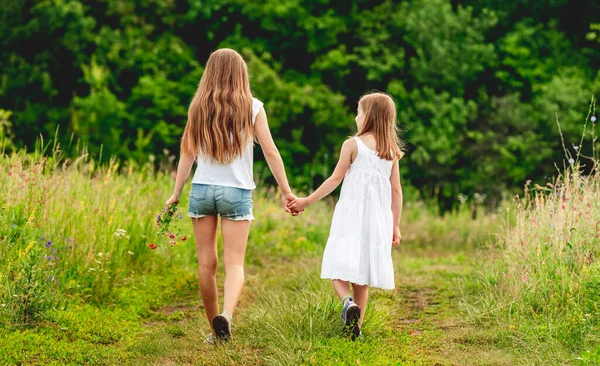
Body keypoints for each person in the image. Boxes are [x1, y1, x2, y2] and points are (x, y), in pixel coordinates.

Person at [165, 48, 296, 344]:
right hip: (236, 191)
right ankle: (227, 314)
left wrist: (176, 193)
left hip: (202, 189)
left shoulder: (197, 106)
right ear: (241, 74)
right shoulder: (252, 107)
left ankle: (214, 331)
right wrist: (286, 191)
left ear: (209, 72)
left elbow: (187, 153)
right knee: (234, 263)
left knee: (205, 264)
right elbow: (271, 151)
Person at [288, 92, 404, 339]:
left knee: (337, 267)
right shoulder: (391, 151)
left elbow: (334, 179)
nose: (356, 116)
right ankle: (356, 329)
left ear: (369, 117)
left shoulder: (352, 144)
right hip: (377, 220)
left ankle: (347, 303)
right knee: (363, 275)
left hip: (350, 215)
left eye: (359, 112)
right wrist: (395, 226)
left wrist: (306, 201)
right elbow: (396, 191)